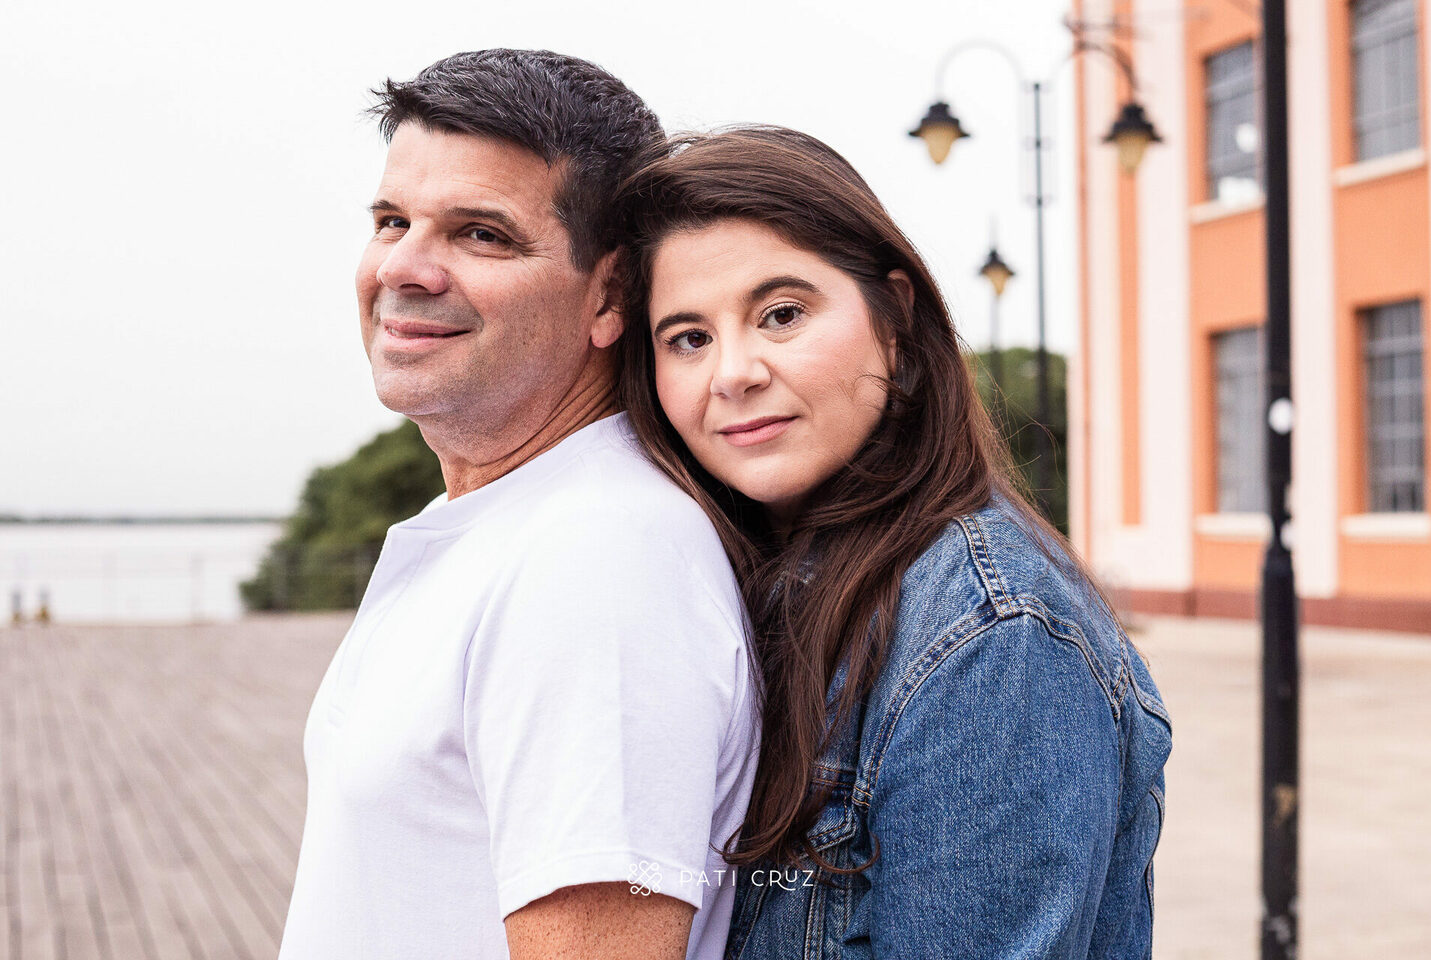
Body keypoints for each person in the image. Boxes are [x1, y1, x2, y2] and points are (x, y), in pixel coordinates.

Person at [616, 126, 1172, 959]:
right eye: (688, 338)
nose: (733, 371)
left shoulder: (994, 637)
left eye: (781, 314)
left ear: (896, 321)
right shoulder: (740, 585)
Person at [277, 51, 760, 960]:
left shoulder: (599, 559)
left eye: (481, 235)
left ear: (611, 293)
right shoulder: (521, 524)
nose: (406, 268)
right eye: (392, 221)